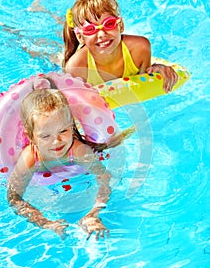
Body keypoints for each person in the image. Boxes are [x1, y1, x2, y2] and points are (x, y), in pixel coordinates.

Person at [7, 76, 134, 240]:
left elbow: (104, 177)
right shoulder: (31, 158)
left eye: (63, 131)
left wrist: (93, 213)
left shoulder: (78, 150)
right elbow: (14, 197)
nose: (56, 141)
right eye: (45, 136)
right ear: (31, 137)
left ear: (72, 127)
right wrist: (45, 222)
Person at [63, 0, 178, 93]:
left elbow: (143, 87)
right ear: (80, 37)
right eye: (90, 29)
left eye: (109, 24)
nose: (102, 34)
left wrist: (156, 69)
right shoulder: (77, 67)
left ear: (121, 25)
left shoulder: (139, 48)